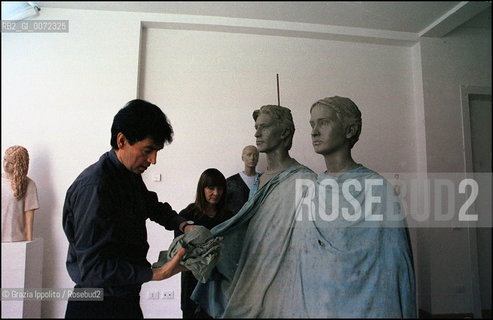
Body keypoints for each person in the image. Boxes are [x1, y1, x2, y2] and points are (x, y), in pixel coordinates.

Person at [62, 99, 197, 319]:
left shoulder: (128, 175)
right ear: (122, 140)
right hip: (95, 305)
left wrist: (183, 224)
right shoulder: (94, 187)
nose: (153, 160)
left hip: (125, 298)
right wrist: (156, 273)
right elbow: (92, 269)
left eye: (156, 151)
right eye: (148, 151)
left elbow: (151, 205)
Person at [191, 105, 317, 318]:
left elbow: (308, 239)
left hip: (284, 276)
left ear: (285, 132)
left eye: (264, 127)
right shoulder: (259, 180)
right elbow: (249, 225)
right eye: (256, 127)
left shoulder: (304, 180)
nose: (257, 133)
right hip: (253, 266)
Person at [306, 96, 416, 317]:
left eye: (324, 122)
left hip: (369, 307)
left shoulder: (377, 188)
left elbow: (397, 265)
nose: (314, 131)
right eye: (312, 124)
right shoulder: (312, 188)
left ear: (350, 130)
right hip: (321, 303)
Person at [174, 168, 233, 319]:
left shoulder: (229, 216)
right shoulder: (187, 216)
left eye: (220, 188)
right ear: (202, 189)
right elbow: (180, 251)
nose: (216, 193)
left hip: (221, 282)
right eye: (211, 188)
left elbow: (234, 248)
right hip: (193, 282)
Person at [2, 145, 39, 242]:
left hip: (15, 239)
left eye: (10, 163)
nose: (5, 165)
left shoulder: (28, 184)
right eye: (4, 159)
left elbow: (29, 213)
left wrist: (29, 240)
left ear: (19, 164)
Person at [225, 145, 259, 215]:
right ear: (242, 158)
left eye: (255, 155)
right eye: (249, 155)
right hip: (236, 223)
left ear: (258, 158)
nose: (252, 158)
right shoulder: (231, 182)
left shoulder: (263, 179)